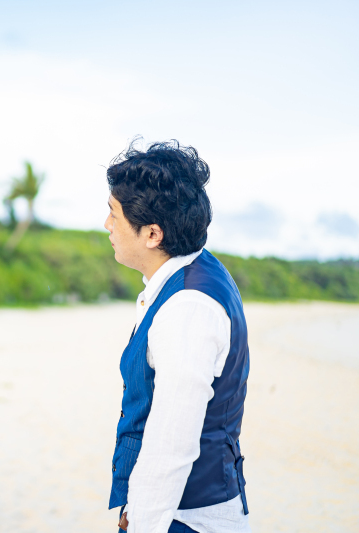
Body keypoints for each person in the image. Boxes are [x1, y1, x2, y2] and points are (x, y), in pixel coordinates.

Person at [104, 141, 250, 533]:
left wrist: (143, 523)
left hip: (186, 520)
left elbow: (172, 443)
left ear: (152, 233)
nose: (107, 226)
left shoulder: (188, 307)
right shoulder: (193, 273)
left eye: (113, 215)